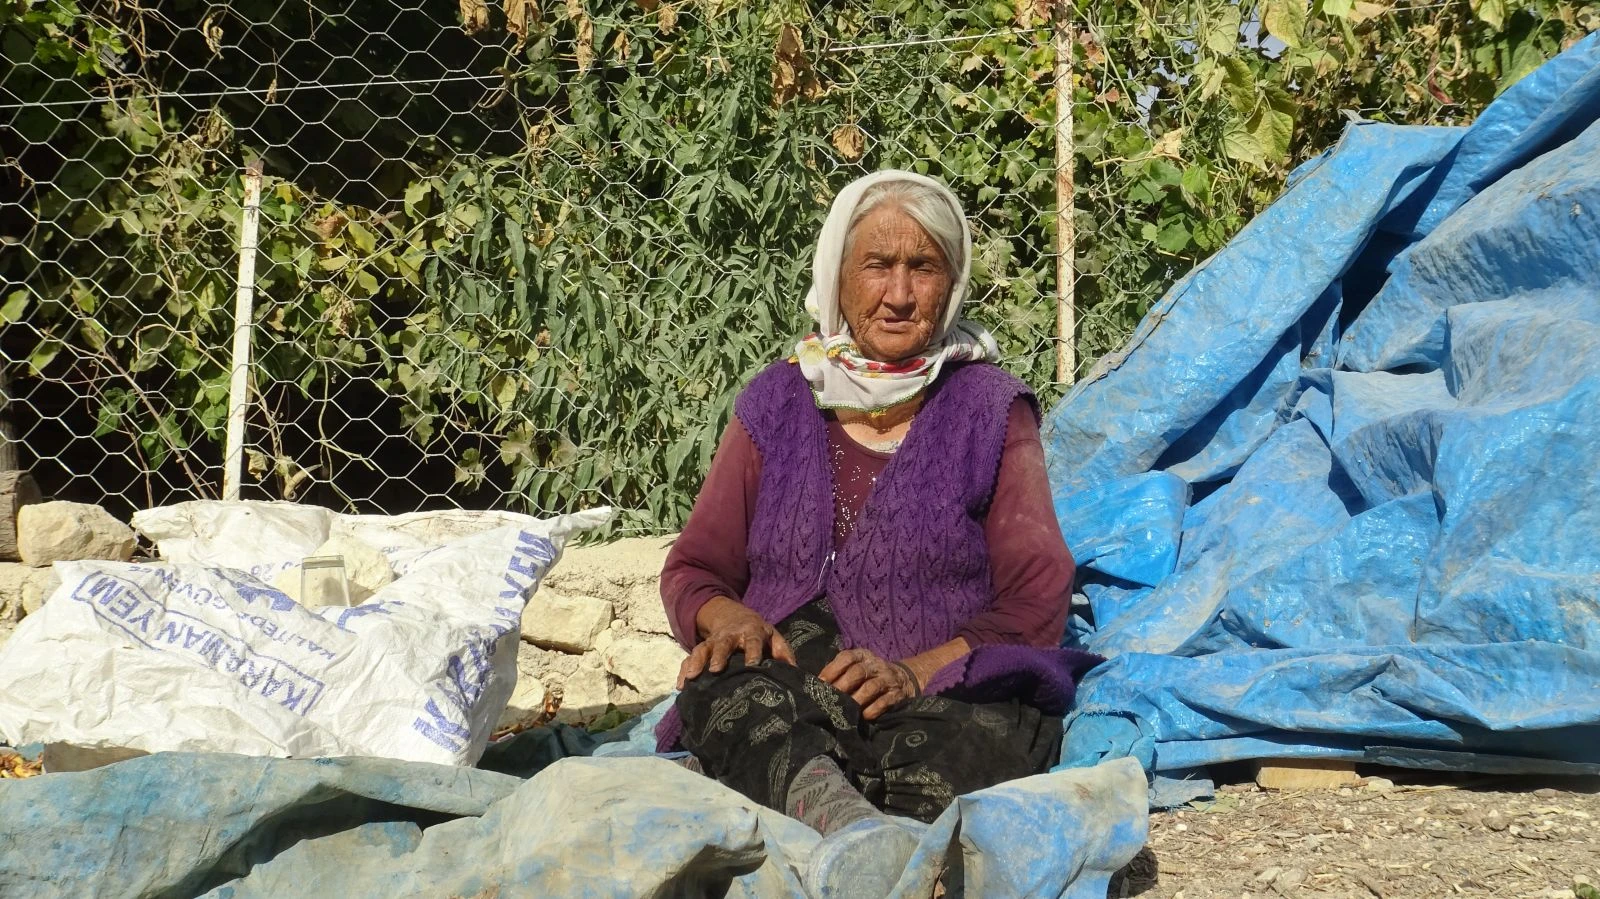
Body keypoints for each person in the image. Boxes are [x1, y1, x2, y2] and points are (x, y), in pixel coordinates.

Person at [655, 170, 1101, 895]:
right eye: (878, 265)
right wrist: (730, 617)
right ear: (837, 275)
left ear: (951, 285)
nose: (898, 293)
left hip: (937, 696)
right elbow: (696, 566)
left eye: (922, 268)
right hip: (790, 693)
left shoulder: (989, 408)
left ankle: (859, 838)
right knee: (721, 687)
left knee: (981, 738)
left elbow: (1036, 594)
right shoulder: (777, 400)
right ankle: (855, 829)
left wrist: (914, 670)